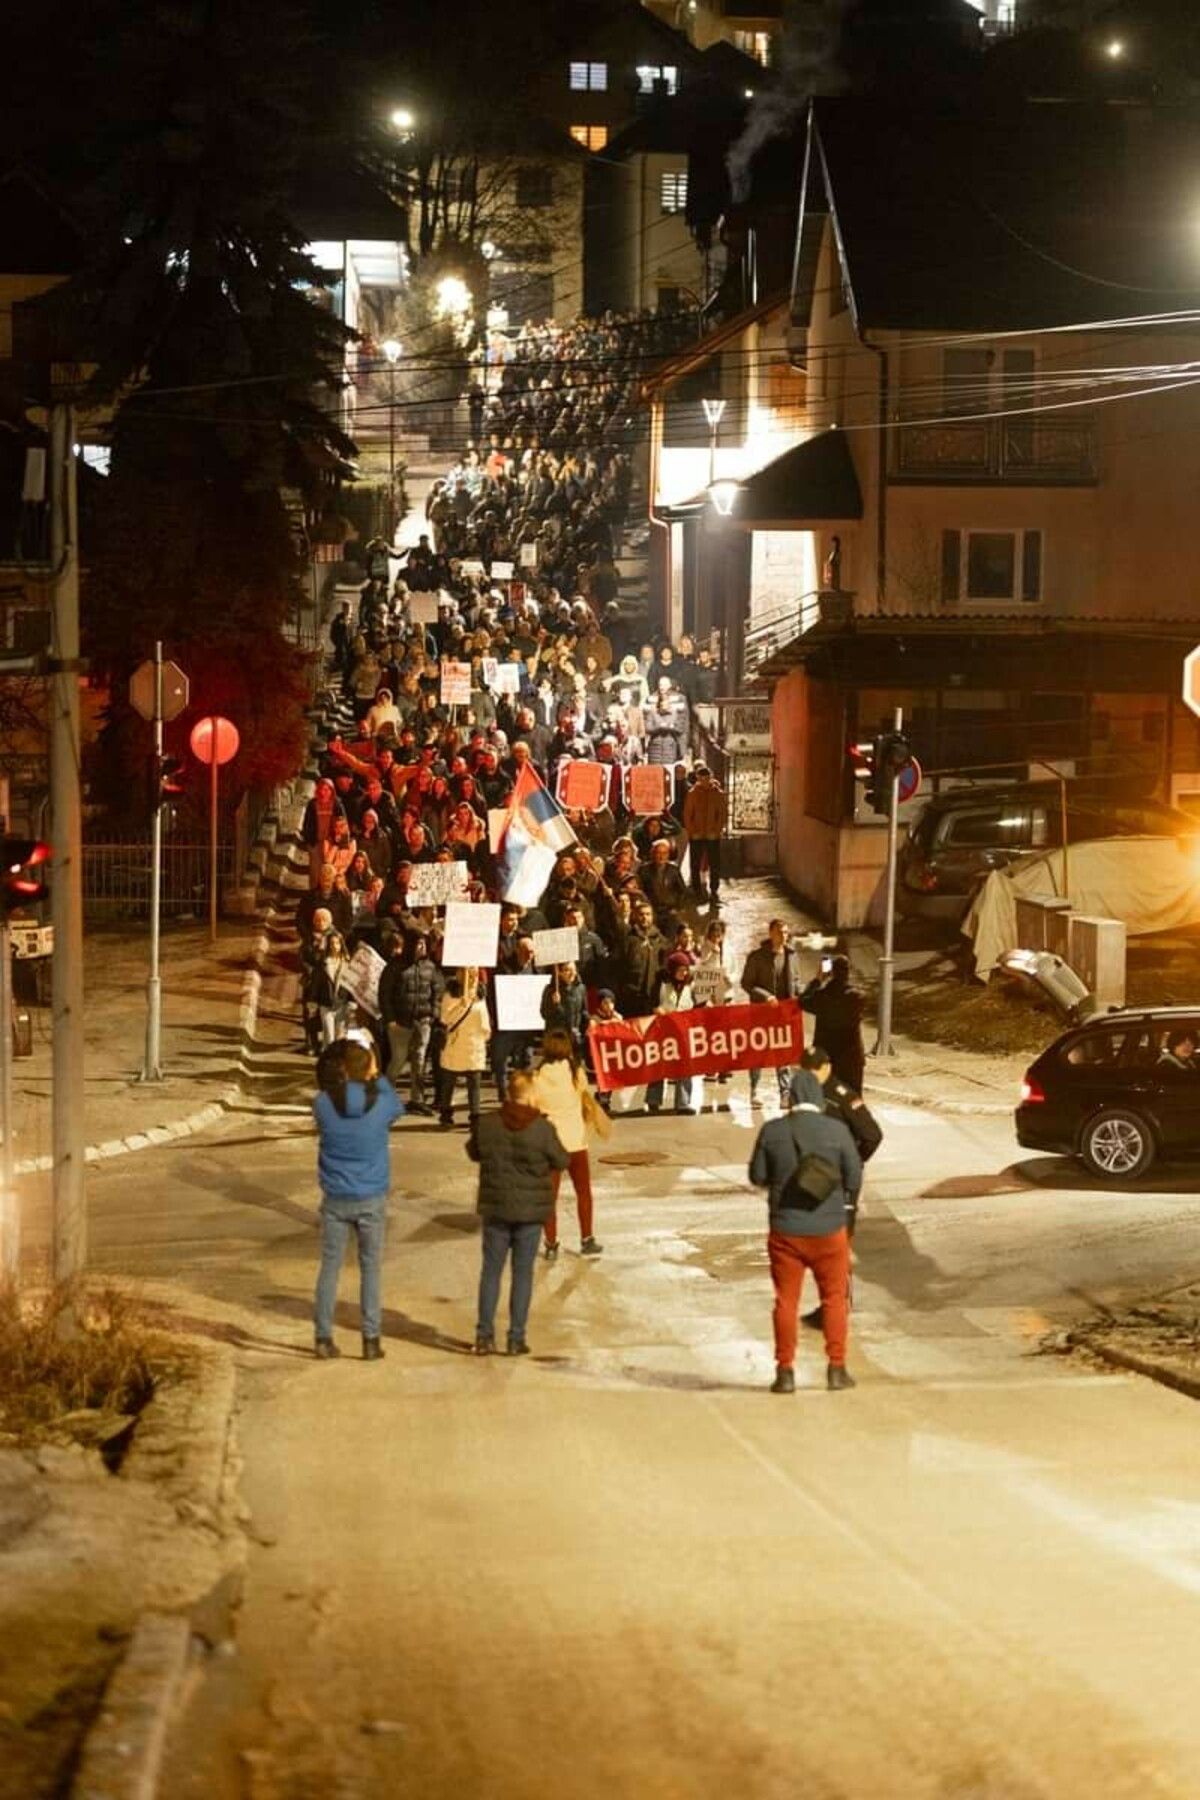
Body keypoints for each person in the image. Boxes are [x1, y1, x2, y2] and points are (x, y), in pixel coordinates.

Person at [749, 1067, 862, 1394]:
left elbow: (757, 1175)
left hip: (786, 1232)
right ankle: (837, 1369)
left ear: (792, 1096)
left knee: (786, 1301)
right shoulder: (837, 1131)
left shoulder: (772, 1132)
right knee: (834, 1298)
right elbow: (853, 1177)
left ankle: (785, 1372)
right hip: (829, 1231)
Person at [311, 1039, 405, 1360]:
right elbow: (399, 1108)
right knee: (370, 1269)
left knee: (330, 1267)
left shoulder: (323, 1103)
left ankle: (323, 1338)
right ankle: (370, 1339)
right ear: (368, 1070)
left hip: (335, 1197)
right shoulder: (382, 1104)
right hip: (371, 1196)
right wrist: (377, 1076)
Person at [467, 1070, 569, 1356]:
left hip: (496, 1208)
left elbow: (473, 1152)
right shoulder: (542, 1129)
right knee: (522, 1274)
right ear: (532, 1094)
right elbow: (562, 1159)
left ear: (508, 1093)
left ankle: (484, 1335)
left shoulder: (488, 1124)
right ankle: (516, 1337)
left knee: (491, 1272)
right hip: (530, 1212)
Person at [790, 1044, 883, 1331]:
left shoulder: (843, 1097)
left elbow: (872, 1135)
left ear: (826, 1068)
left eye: (812, 1070)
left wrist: (853, 1163)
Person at [532, 1028, 602, 1260]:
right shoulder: (576, 1074)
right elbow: (585, 1097)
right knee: (583, 1192)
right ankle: (587, 1239)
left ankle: (551, 1244)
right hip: (576, 1141)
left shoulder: (537, 1076)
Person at [741, 919, 803, 1107]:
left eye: (786, 932)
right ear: (771, 933)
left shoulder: (792, 955)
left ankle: (785, 1094)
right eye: (780, 932)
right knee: (758, 1053)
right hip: (761, 1012)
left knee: (783, 1054)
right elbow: (746, 983)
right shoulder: (757, 957)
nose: (784, 936)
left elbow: (796, 980)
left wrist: (802, 993)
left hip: (784, 1014)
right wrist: (766, 997)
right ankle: (755, 1090)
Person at [802, 955, 867, 1093]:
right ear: (848, 973)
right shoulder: (857, 997)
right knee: (853, 1101)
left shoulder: (821, 996)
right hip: (851, 1059)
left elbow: (802, 1001)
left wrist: (818, 979)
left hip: (827, 1058)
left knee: (827, 1100)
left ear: (831, 972)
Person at [437, 968, 492, 1128]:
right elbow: (445, 1018)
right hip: (455, 1044)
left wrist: (485, 1035)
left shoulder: (480, 996)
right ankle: (445, 1113)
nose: (474, 978)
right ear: (461, 974)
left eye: (475, 975)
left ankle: (475, 1116)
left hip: (474, 1046)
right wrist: (460, 1005)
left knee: (474, 1084)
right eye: (470, 974)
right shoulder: (450, 995)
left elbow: (484, 1020)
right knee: (449, 1082)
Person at [682, 764, 727, 904]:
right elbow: (688, 814)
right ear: (698, 778)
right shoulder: (692, 793)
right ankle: (696, 890)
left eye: (707, 778)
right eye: (702, 778)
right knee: (695, 864)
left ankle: (714, 890)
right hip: (697, 834)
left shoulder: (718, 794)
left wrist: (717, 829)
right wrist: (691, 831)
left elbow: (723, 814)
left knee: (715, 864)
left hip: (712, 834)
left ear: (710, 777)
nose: (705, 781)